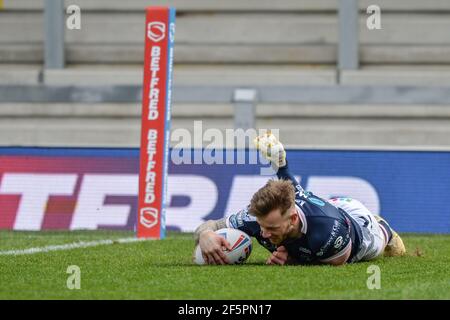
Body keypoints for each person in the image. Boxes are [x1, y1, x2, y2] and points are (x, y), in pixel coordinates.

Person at [193, 132, 406, 265]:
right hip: (322, 206)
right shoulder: (260, 219)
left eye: (272, 228)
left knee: (380, 247)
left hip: (357, 228)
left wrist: (293, 259)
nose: (264, 234)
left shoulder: (326, 232)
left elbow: (339, 262)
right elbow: (210, 225)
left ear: (292, 219)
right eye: (262, 226)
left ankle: (384, 228)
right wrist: (205, 235)